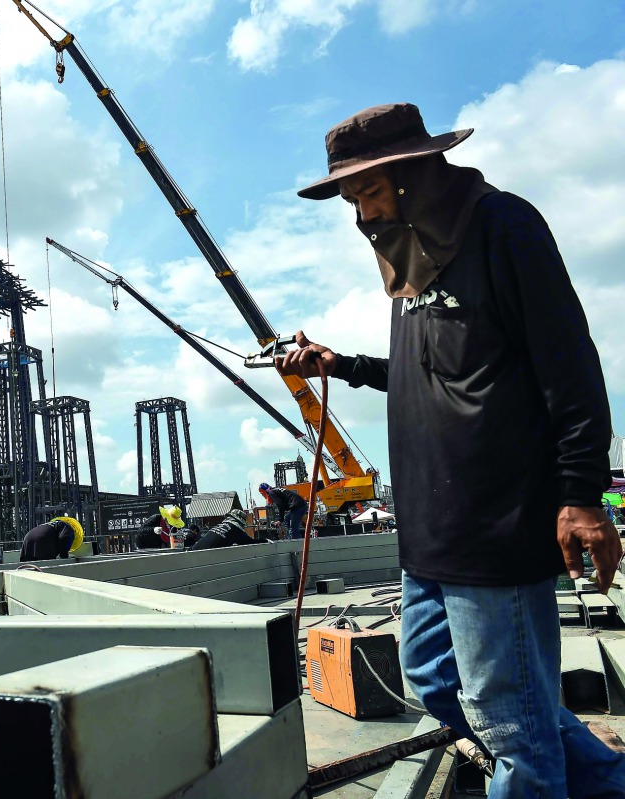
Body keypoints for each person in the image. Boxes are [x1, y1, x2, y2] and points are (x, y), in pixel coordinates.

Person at [281, 102, 625, 796]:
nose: (361, 215)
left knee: (511, 728)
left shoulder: (504, 227)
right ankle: (610, 778)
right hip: (430, 538)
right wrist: (342, 363)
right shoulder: (414, 261)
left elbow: (570, 365)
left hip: (496, 527)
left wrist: (583, 494)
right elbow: (424, 371)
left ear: (413, 176)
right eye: (351, 199)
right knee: (437, 678)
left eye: (369, 192)